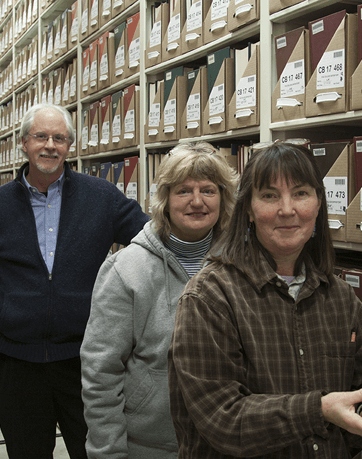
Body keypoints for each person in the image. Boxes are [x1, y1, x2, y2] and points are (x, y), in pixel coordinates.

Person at [168, 141, 362, 458]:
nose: (287, 209)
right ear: (248, 209)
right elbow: (223, 420)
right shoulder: (209, 296)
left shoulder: (342, 298)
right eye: (270, 196)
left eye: (301, 193)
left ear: (318, 204)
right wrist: (318, 409)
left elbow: (359, 400)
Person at [0, 103, 150, 459]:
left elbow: (149, 238)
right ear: (24, 143)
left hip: (85, 360)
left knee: (93, 451)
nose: (50, 145)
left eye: (60, 138)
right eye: (41, 136)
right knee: (27, 452)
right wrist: (6, 313)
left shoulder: (102, 197)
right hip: (15, 361)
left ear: (70, 145)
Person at [80, 142, 238, 458]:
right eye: (184, 191)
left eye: (208, 190)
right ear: (165, 200)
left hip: (230, 442)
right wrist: (107, 452)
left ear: (223, 198)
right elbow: (101, 374)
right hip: (152, 447)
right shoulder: (125, 269)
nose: (197, 201)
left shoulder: (241, 264)